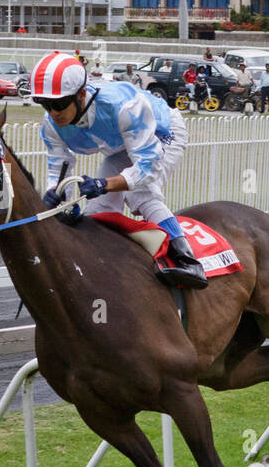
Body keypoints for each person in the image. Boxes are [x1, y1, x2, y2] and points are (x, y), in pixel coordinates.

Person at [30, 51, 208, 289]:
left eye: (59, 103)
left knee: (140, 193)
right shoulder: (51, 124)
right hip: (124, 144)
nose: (53, 112)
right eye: (45, 104)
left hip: (162, 132)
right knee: (95, 210)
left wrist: (104, 184)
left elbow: (148, 168)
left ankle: (187, 260)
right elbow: (59, 167)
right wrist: (58, 195)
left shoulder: (124, 106)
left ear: (81, 95)